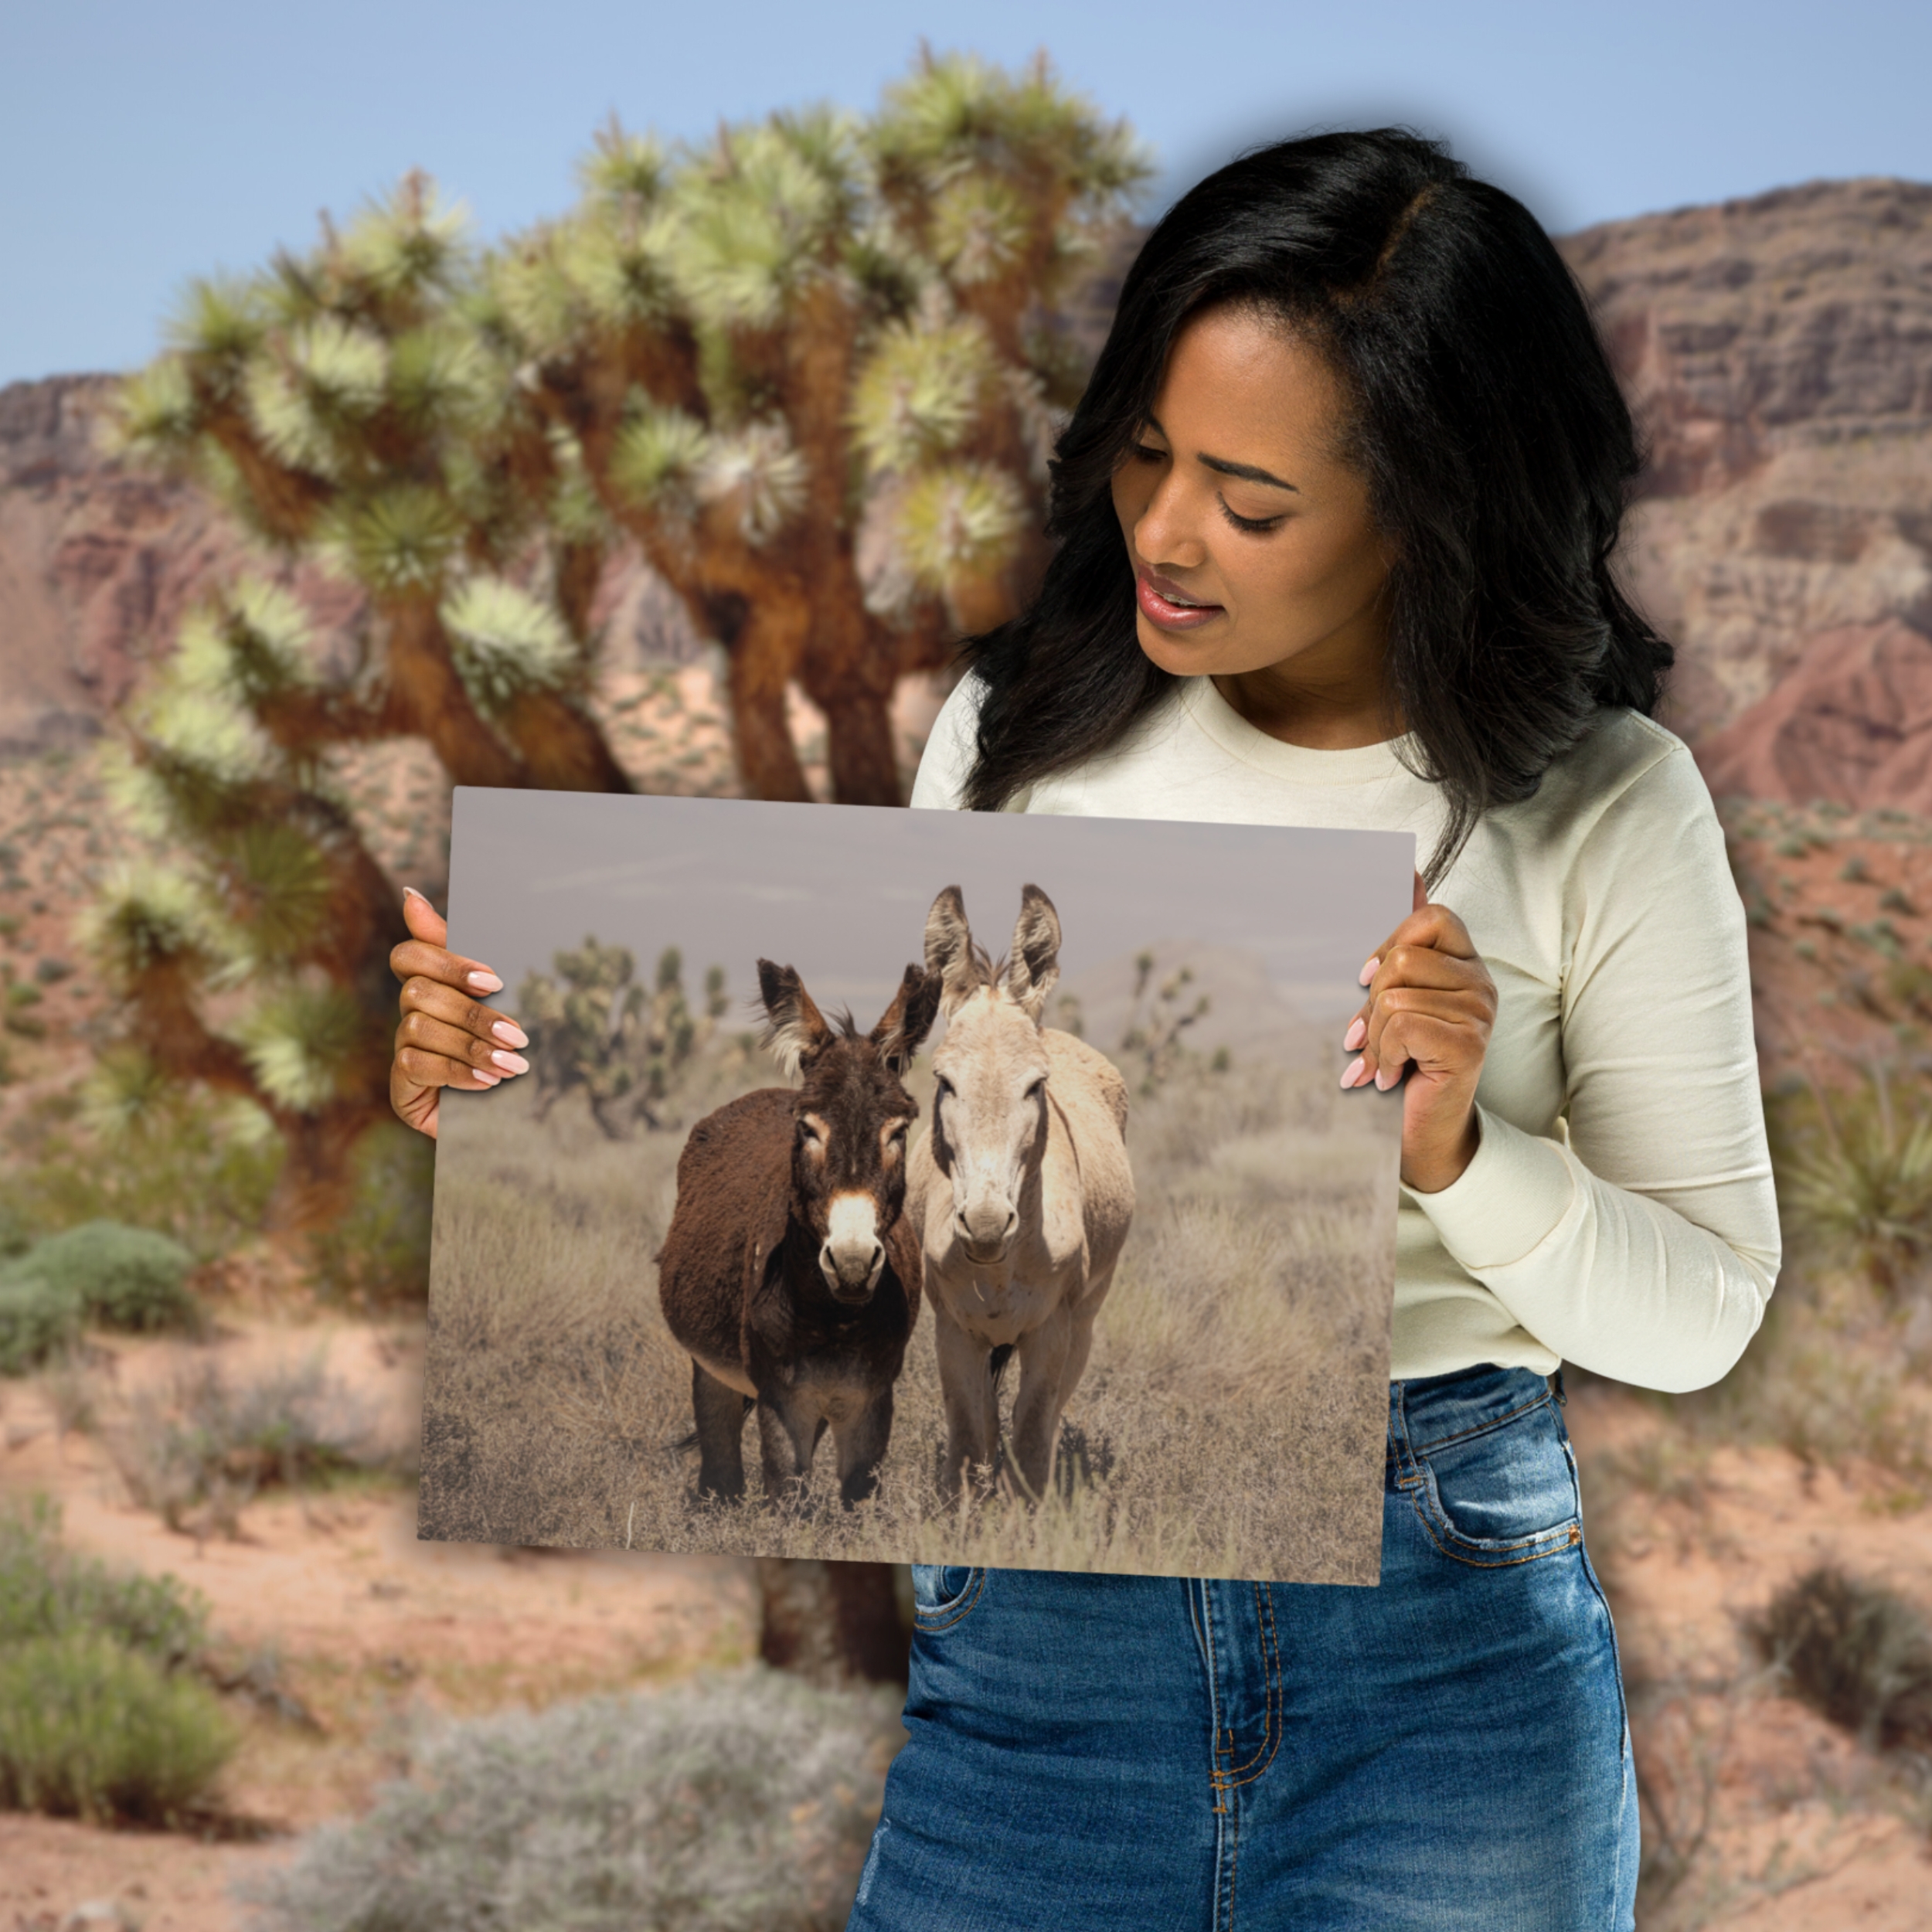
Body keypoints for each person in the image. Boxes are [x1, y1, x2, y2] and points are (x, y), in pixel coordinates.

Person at [389, 131, 1779, 1930]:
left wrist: (1458, 1152)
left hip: (1441, 1659)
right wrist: (498, 1087)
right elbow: (873, 1125)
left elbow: (1699, 1309)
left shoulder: (1605, 802)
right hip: (1031, 1655)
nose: (1162, 532)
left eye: (1248, 502)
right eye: (1142, 451)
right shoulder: (1010, 734)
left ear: (1429, 509)